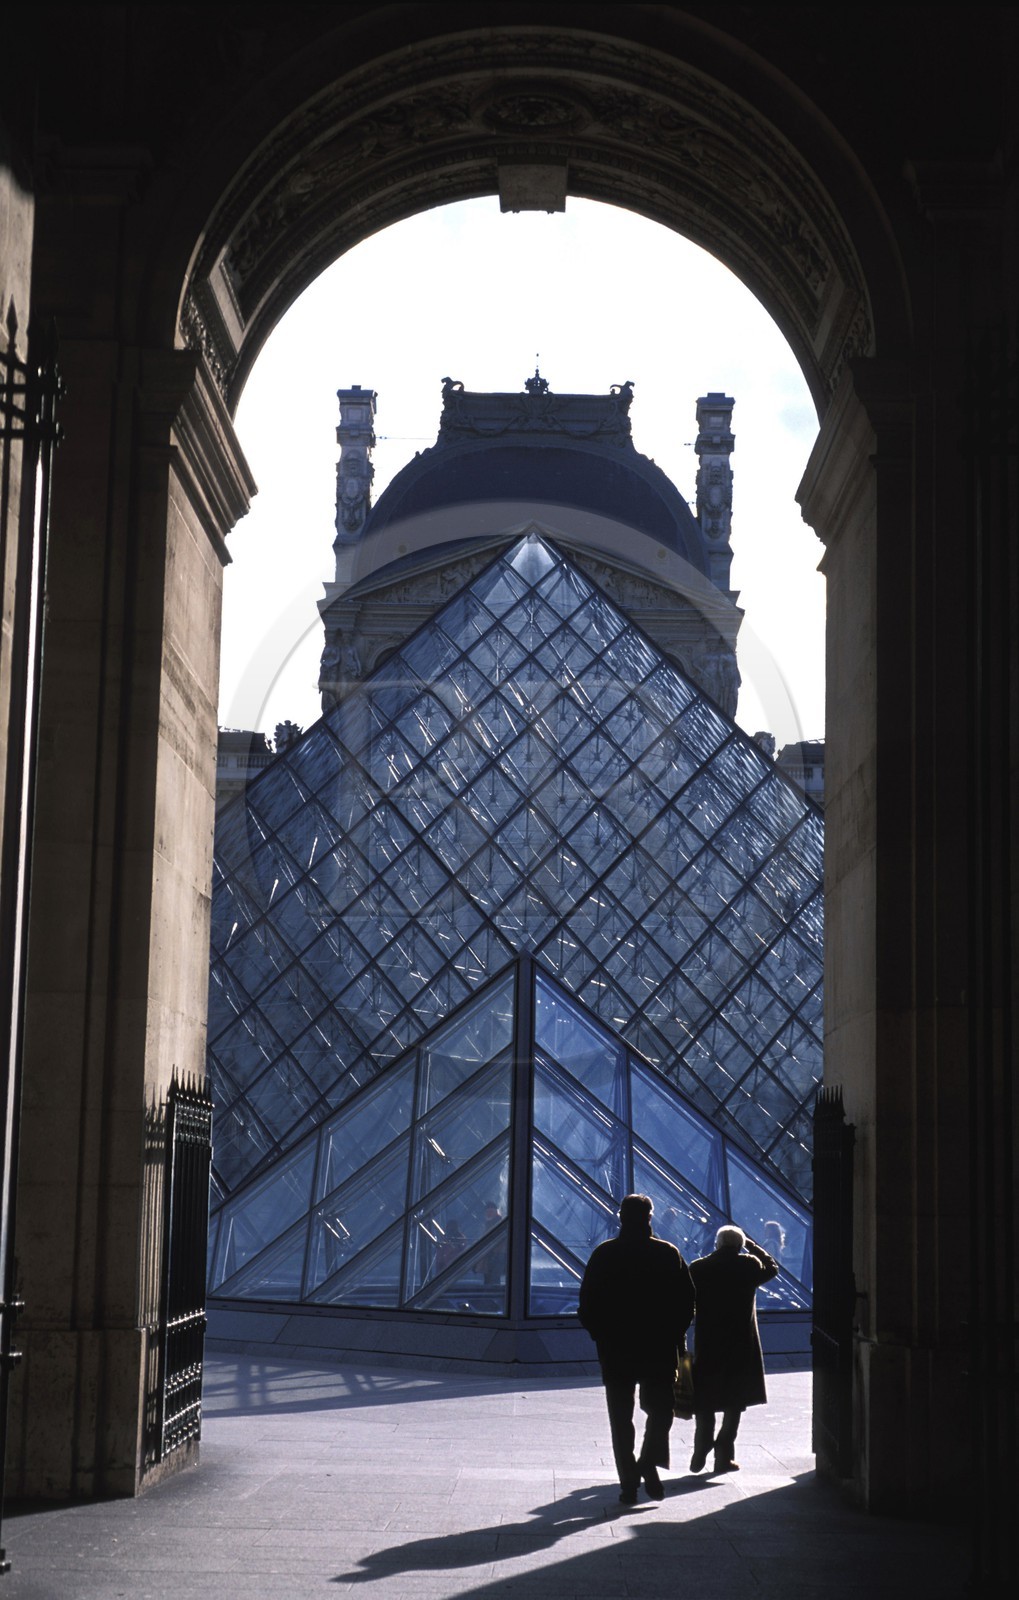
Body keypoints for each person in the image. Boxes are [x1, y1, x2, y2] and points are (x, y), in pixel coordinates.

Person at [579, 1193, 695, 1504]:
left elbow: (587, 1305)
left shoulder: (604, 1254)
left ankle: (629, 1481)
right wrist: (673, 1333)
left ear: (620, 1217)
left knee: (620, 1418)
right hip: (658, 1347)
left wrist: (602, 1336)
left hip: (616, 1350)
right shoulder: (668, 1253)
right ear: (650, 1217)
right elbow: (686, 1303)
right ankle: (648, 1463)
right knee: (661, 1412)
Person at [688, 1224, 778, 1473]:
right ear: (739, 1245)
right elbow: (772, 1268)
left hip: (708, 1343)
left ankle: (701, 1447)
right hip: (740, 1344)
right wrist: (752, 1245)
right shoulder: (749, 1265)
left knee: (705, 1400)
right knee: (733, 1403)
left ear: (717, 1243)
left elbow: (686, 1301)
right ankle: (723, 1455)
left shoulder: (699, 1268)